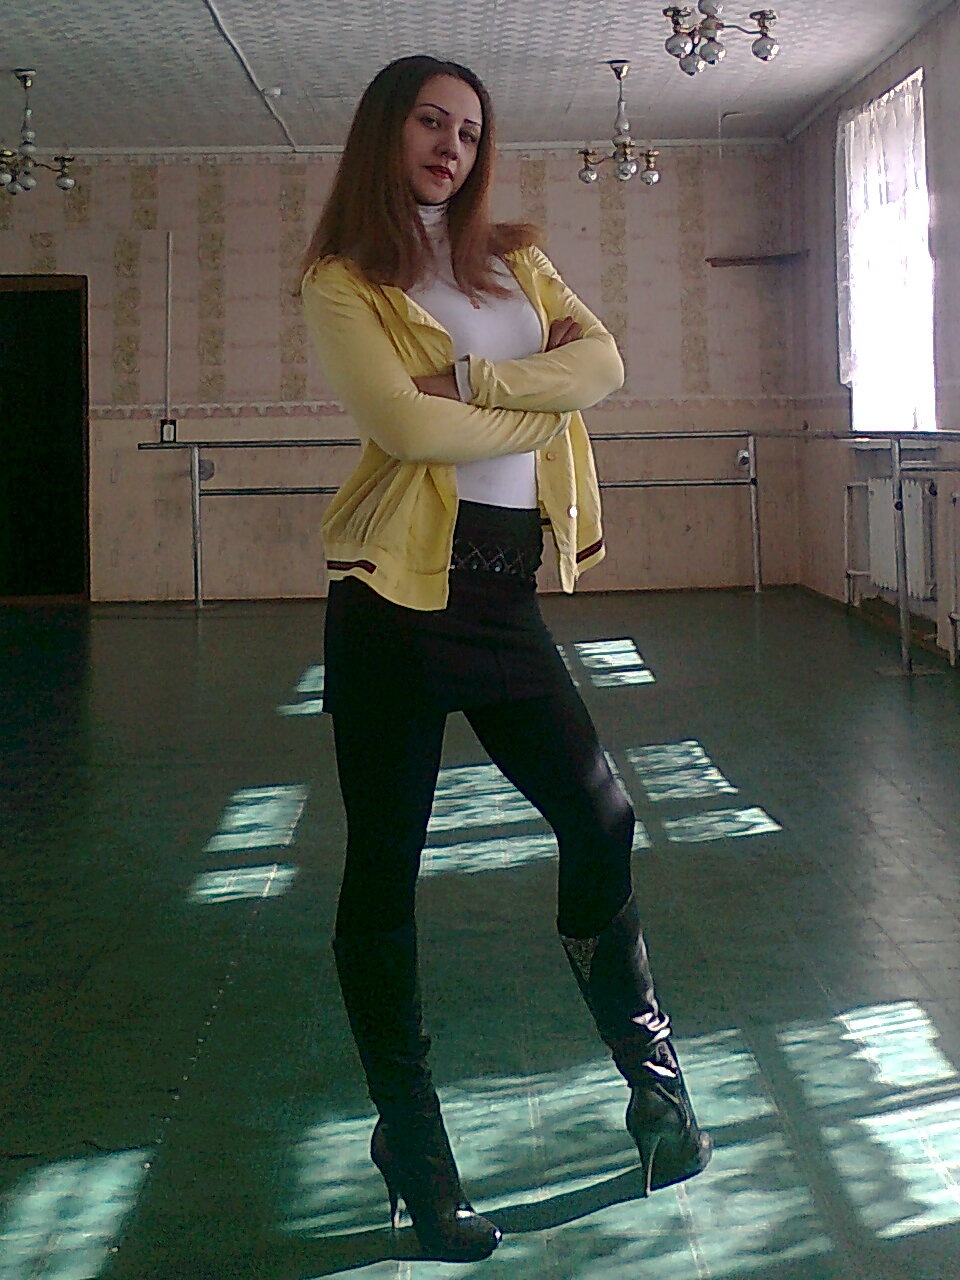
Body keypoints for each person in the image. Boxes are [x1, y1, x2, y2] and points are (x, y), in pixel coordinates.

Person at [300, 55, 711, 1264]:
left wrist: (477, 379)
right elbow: (404, 425)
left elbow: (606, 364)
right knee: (385, 872)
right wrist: (539, 397)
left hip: (500, 592)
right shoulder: (344, 279)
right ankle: (415, 1147)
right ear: (387, 130)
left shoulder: (515, 259)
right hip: (391, 602)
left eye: (470, 130)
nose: (452, 144)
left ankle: (654, 1082)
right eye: (431, 121)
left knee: (602, 817)